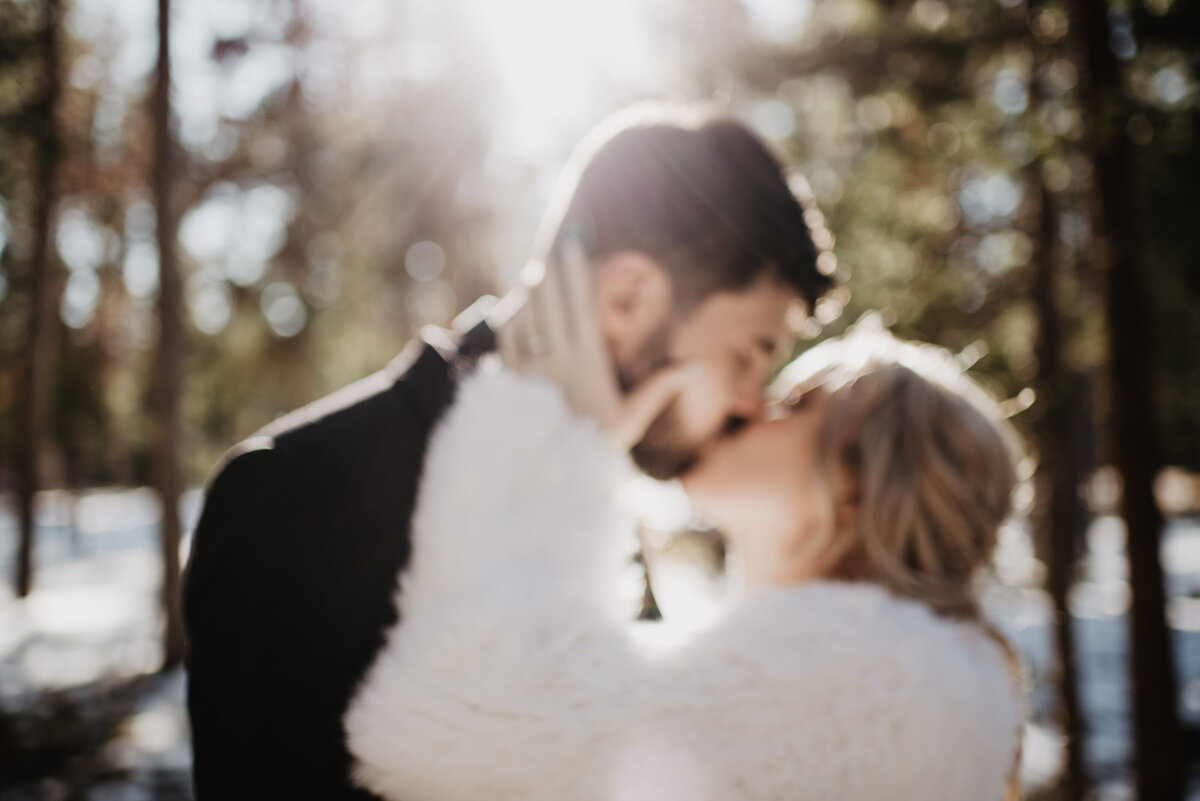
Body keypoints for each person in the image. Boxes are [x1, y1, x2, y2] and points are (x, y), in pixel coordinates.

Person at [181, 102, 830, 800]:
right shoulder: (294, 493)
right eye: (748, 353)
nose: (751, 401)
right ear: (629, 297)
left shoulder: (598, 484)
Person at [342, 247, 1024, 800]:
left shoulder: (875, 690)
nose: (750, 404)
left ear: (856, 481)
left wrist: (552, 435)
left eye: (794, 404)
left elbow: (450, 723)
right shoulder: (889, 684)